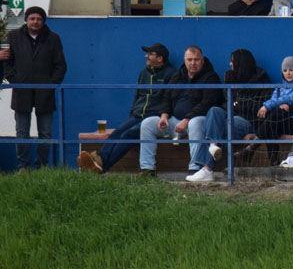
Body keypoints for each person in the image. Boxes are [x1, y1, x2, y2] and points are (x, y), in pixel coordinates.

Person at [86, 43, 177, 173]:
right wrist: (133, 112)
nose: (146, 56)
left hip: (153, 117)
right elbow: (137, 95)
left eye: (150, 54)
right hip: (137, 115)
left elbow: (169, 99)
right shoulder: (144, 72)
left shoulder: (171, 74)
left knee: (127, 135)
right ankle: (100, 160)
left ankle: (102, 166)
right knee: (117, 133)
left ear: (160, 58)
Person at [186, 47, 272, 183]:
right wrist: (234, 105)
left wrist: (237, 105)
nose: (230, 64)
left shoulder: (261, 80)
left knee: (224, 129)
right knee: (214, 110)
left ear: (240, 63)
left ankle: (207, 169)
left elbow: (259, 108)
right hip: (229, 117)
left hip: (246, 121)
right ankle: (213, 145)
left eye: (233, 61)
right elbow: (227, 102)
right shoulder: (230, 77)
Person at [138, 45, 222, 176]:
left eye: (196, 60)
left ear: (202, 60)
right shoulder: (178, 76)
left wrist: (187, 119)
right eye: (189, 60)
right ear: (184, 60)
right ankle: (147, 169)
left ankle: (195, 167)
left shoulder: (211, 77)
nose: (193, 63)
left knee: (195, 123)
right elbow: (166, 97)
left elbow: (207, 103)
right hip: (175, 122)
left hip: (197, 121)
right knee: (147, 124)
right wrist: (164, 115)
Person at [1, 6, 67, 169]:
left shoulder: (53, 38)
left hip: (45, 93)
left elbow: (60, 65)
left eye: (39, 19)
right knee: (22, 132)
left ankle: (41, 168)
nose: (35, 22)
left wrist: (51, 84)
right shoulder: (13, 36)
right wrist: (15, 80)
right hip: (21, 92)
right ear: (26, 20)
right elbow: (7, 62)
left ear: (43, 21)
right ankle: (23, 167)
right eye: (32, 18)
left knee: (45, 133)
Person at [248, 57, 293, 165]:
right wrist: (272, 106)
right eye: (285, 70)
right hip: (280, 121)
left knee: (273, 119)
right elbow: (273, 100)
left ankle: (252, 148)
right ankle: (274, 162)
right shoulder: (280, 87)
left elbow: (291, 99)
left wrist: (267, 106)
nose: (288, 73)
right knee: (270, 125)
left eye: (291, 70)